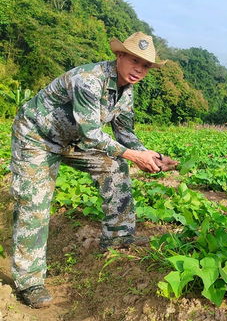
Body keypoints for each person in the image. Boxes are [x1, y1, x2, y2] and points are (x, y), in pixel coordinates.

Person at [10, 32, 178, 308]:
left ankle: (118, 237)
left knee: (114, 165)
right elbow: (91, 134)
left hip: (72, 139)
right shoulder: (90, 80)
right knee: (34, 201)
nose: (139, 69)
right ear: (119, 55)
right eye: (134, 60)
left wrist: (152, 156)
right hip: (37, 138)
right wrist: (135, 156)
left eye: (145, 65)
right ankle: (29, 282)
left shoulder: (127, 90)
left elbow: (125, 133)